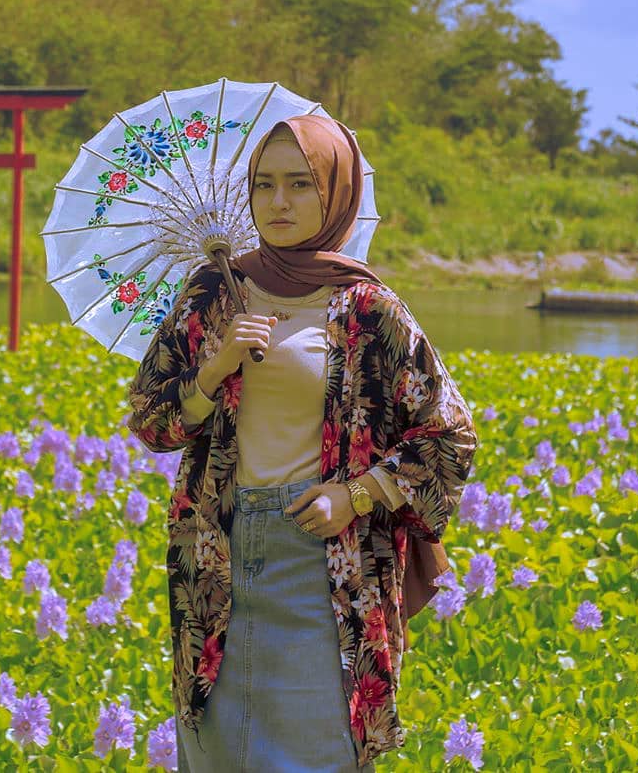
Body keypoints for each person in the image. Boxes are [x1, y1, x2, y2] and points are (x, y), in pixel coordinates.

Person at [126, 115, 478, 770]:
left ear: (336, 194)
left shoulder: (370, 308)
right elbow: (151, 419)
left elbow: (450, 437)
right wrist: (213, 369)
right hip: (216, 561)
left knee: (320, 756)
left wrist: (359, 494)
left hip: (326, 565)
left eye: (299, 184)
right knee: (219, 755)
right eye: (263, 184)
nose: (278, 202)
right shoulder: (211, 293)